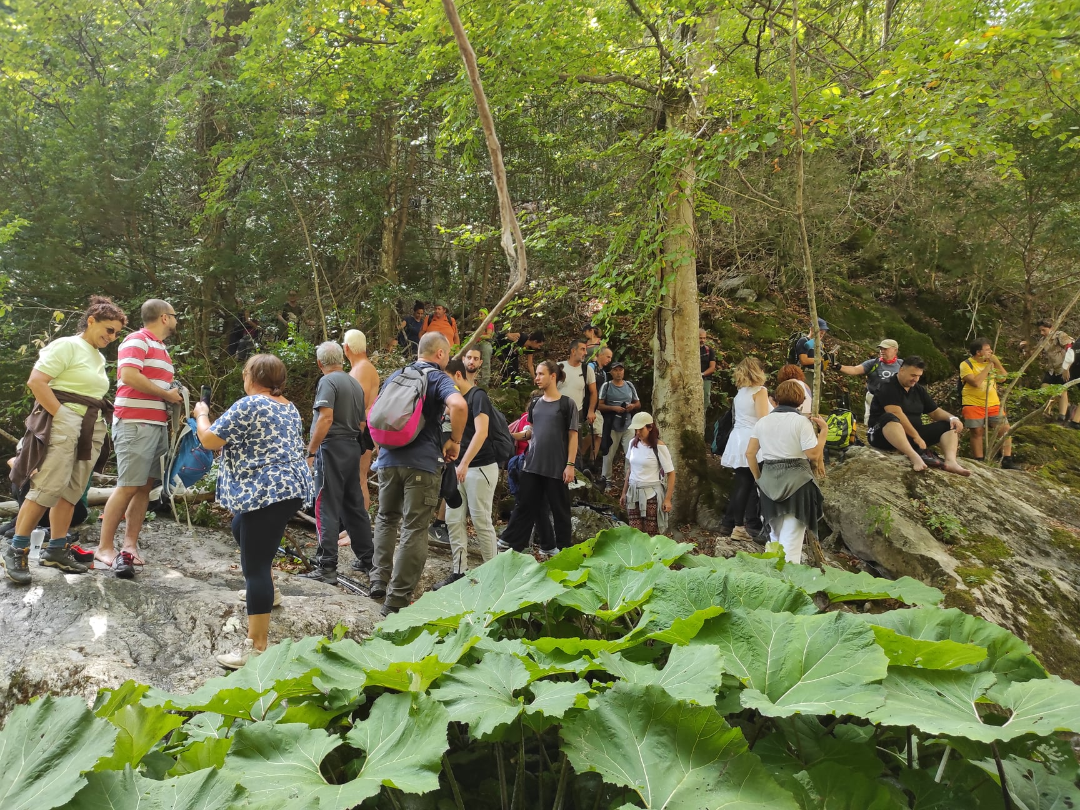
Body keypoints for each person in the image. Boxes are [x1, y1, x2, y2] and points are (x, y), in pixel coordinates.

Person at [193, 354, 313, 668]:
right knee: (240, 528)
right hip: (290, 487)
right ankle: (268, 593)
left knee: (255, 565)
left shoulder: (250, 404)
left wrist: (201, 414)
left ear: (251, 377)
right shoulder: (288, 406)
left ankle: (256, 648)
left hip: (268, 490)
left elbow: (208, 439)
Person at [4, 296, 126, 585]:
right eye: (109, 330)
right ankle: (17, 549)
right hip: (64, 421)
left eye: (117, 333)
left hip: (89, 424)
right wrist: (62, 415)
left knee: (71, 490)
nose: (112, 337)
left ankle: (56, 550)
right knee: (47, 486)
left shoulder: (96, 355)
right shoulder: (67, 345)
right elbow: (37, 381)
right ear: (91, 320)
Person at [371, 332, 467, 615]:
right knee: (414, 528)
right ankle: (397, 601)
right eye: (447, 354)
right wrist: (455, 441)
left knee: (386, 518)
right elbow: (459, 405)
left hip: (388, 460)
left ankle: (378, 580)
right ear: (439, 354)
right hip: (422, 464)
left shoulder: (396, 376)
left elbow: (377, 413)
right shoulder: (437, 378)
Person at [96, 299, 183, 577]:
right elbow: (129, 376)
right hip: (135, 423)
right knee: (128, 486)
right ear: (165, 318)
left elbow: (154, 385)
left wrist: (173, 402)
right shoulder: (137, 339)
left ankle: (129, 546)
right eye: (175, 315)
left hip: (155, 424)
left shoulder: (162, 349)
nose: (176, 320)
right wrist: (167, 394)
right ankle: (104, 547)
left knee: (144, 487)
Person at [300, 342, 373, 586]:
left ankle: (326, 565)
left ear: (320, 363)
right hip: (352, 448)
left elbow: (326, 417)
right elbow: (362, 423)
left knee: (326, 504)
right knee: (353, 505)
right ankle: (367, 559)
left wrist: (311, 451)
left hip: (331, 448)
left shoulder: (327, 382)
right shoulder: (353, 382)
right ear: (341, 360)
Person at [498, 361, 578, 555]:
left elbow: (573, 435)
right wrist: (509, 436)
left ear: (553, 376)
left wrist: (570, 465)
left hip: (556, 467)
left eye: (541, 374)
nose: (537, 378)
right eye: (537, 374)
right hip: (532, 465)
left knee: (560, 511)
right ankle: (514, 546)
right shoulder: (535, 404)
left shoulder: (567, 404)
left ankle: (564, 552)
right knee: (526, 505)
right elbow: (532, 432)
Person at [745, 380, 828, 564]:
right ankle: (788, 586)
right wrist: (823, 433)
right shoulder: (801, 422)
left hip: (768, 484)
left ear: (776, 399)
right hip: (797, 485)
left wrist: (759, 479)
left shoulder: (762, 422)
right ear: (801, 400)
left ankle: (771, 583)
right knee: (791, 541)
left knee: (774, 539)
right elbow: (813, 455)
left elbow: (750, 454)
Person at [435, 358, 499, 589]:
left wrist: (465, 463)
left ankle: (493, 571)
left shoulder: (477, 396)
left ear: (458, 376)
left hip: (480, 467)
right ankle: (459, 571)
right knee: (453, 519)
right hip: (458, 468)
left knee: (481, 519)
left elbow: (481, 432)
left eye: (449, 379)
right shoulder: (452, 402)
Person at [867, 356, 969, 475]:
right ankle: (913, 456)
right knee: (890, 417)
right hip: (882, 435)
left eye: (918, 376)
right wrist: (916, 437)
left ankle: (951, 461)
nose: (915, 379)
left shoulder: (918, 389)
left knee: (949, 425)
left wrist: (952, 418)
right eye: (913, 375)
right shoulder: (887, 386)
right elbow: (895, 412)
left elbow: (935, 412)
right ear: (902, 370)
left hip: (911, 436)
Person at [719, 357, 771, 542]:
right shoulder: (760, 392)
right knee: (760, 484)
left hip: (738, 439)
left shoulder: (740, 394)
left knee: (742, 484)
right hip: (753, 440)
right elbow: (763, 420)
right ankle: (763, 526)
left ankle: (736, 525)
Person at [960, 338, 1017, 468]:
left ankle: (1007, 459)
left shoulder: (991, 362)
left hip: (993, 403)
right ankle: (979, 460)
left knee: (1005, 430)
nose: (990, 351)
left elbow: (1003, 378)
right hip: (972, 403)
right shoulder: (966, 364)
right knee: (977, 431)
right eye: (987, 349)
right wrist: (987, 368)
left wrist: (997, 363)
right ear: (978, 352)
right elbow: (975, 382)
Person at [620, 412, 675, 536]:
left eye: (641, 429)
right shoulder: (633, 443)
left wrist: (667, 499)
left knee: (652, 533)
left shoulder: (659, 446)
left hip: (651, 494)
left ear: (650, 428)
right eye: (636, 430)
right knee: (635, 533)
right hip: (633, 492)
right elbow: (630, 468)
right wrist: (624, 492)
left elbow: (671, 473)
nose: (638, 433)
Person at [343, 329, 380, 512]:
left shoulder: (363, 368)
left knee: (359, 477)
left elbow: (360, 404)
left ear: (346, 347)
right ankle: (351, 524)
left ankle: (358, 526)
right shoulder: (358, 368)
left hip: (361, 430)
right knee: (354, 477)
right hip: (357, 429)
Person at [1020, 320, 1074, 423]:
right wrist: (1025, 347)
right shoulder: (1043, 340)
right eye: (1040, 331)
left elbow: (1070, 349)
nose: (1042, 333)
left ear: (1051, 328)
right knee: (1044, 388)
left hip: (1064, 367)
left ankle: (1062, 417)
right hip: (1052, 370)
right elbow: (1035, 352)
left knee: (1062, 390)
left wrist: (1067, 368)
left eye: (1044, 330)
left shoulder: (1060, 335)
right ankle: (1067, 406)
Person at [597, 361, 641, 487]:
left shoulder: (629, 385)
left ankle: (629, 480)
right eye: (615, 370)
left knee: (631, 453)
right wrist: (614, 408)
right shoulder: (607, 386)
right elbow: (600, 405)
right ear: (611, 372)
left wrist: (632, 406)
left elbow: (638, 403)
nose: (618, 373)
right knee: (609, 453)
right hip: (612, 424)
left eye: (620, 370)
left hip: (628, 424)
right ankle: (607, 481)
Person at [838, 339, 903, 423]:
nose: (882, 351)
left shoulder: (902, 364)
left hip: (895, 399)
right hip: (873, 398)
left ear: (895, 350)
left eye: (885, 349)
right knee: (870, 423)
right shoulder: (873, 363)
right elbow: (854, 370)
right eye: (881, 349)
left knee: (894, 423)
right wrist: (839, 367)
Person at [558, 339, 597, 465]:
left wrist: (591, 411)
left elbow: (593, 392)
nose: (585, 353)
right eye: (582, 349)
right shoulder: (559, 367)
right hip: (557, 411)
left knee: (576, 445)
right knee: (557, 442)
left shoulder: (587, 370)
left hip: (577, 412)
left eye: (586, 349)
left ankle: (577, 473)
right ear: (573, 351)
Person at [584, 346, 613, 473]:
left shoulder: (603, 373)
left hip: (597, 406)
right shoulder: (591, 366)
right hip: (588, 404)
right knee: (593, 432)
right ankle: (579, 455)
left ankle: (592, 461)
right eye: (607, 356)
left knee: (599, 434)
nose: (609, 360)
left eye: (610, 358)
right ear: (600, 355)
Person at [795, 318, 829, 392]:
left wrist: (828, 358)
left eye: (824, 331)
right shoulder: (804, 341)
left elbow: (824, 365)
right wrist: (818, 359)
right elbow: (803, 360)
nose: (823, 332)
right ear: (812, 328)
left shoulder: (820, 344)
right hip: (806, 375)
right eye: (820, 329)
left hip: (817, 376)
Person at [476, 309, 495, 387]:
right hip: (479, 344)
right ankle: (478, 381)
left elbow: (489, 336)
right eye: (479, 314)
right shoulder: (482, 325)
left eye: (481, 314)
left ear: (486, 315)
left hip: (486, 345)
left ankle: (485, 384)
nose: (479, 315)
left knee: (485, 364)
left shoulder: (489, 324)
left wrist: (477, 335)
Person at [700, 329, 717, 413]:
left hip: (705, 378)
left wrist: (702, 374)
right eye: (700, 338)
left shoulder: (709, 350)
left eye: (704, 338)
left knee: (705, 399)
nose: (702, 340)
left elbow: (712, 367)